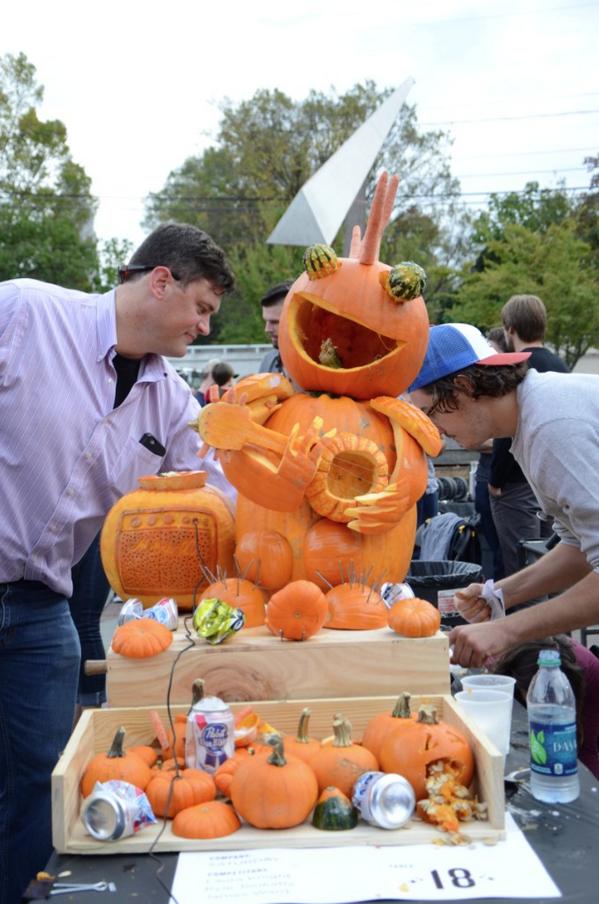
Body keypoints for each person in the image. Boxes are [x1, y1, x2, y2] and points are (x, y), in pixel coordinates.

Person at [0, 222, 235, 904]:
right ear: (160, 281)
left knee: (46, 778)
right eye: (201, 308)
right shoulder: (24, 312)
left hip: (43, 604)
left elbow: (220, 496)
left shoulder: (173, 401)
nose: (204, 327)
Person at [408, 322, 599, 670]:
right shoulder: (530, 419)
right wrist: (500, 594)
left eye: (428, 414)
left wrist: (505, 630)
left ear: (463, 386)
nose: (434, 432)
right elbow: (581, 549)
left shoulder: (550, 427)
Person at [488, 296, 569, 575]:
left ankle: (525, 616)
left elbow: (504, 428)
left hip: (517, 482)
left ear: (510, 328)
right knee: (554, 560)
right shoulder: (560, 366)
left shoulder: (515, 368)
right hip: (556, 482)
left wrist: (496, 478)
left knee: (521, 561)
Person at [492, 635, 599, 778]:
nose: (546, 706)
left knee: (575, 745)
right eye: (540, 699)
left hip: (588, 683)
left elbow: (585, 748)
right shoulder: (514, 664)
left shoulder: (583, 676)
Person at [259, 281, 291, 373]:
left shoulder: (323, 364)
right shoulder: (268, 362)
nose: (267, 329)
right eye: (266, 321)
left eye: (275, 322)